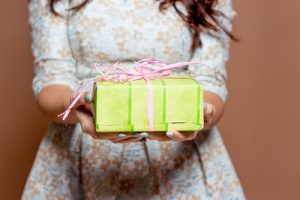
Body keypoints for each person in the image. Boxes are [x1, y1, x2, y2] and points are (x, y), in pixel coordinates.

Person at [22, 0, 246, 199]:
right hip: (83, 154)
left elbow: (210, 81)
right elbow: (52, 80)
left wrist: (200, 113)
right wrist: (79, 105)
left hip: (182, 162)